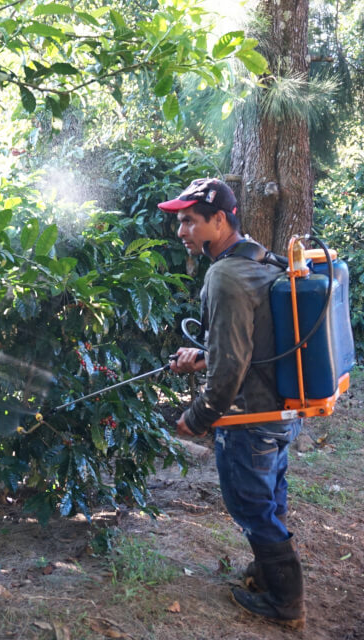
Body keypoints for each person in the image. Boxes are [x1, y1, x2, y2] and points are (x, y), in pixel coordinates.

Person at [158, 178, 305, 630]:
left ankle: (286, 603)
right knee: (269, 498)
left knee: (250, 506)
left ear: (219, 220)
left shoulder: (223, 276)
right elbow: (253, 345)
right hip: (282, 412)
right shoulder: (261, 258)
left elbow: (231, 370)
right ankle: (266, 574)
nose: (181, 231)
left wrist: (198, 418)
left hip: (249, 419)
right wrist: (202, 357)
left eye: (189, 221)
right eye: (179, 221)